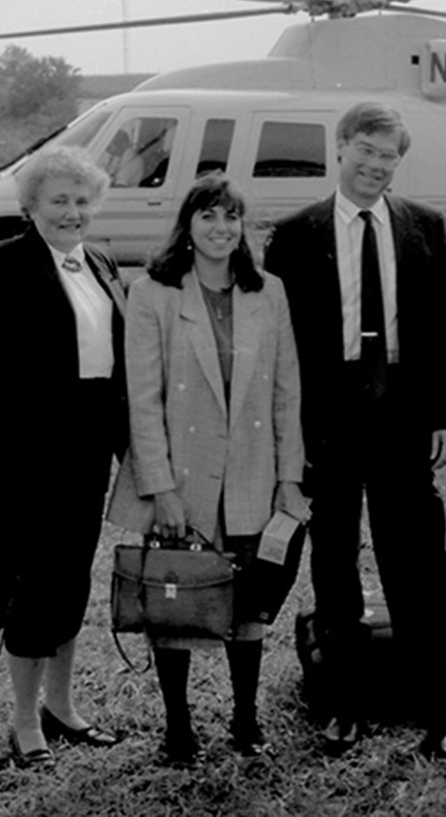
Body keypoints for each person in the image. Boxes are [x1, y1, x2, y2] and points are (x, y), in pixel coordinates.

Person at [263, 102, 446, 759]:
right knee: (334, 567)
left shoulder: (424, 227)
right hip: (329, 425)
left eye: (390, 157)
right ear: (342, 147)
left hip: (405, 420)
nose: (377, 167)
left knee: (418, 566)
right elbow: (279, 346)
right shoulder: (295, 235)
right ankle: (342, 704)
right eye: (367, 152)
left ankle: (439, 706)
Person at [108, 174, 307, 764]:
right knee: (178, 602)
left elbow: (286, 393)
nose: (221, 228)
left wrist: (288, 477)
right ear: (187, 226)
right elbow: (143, 400)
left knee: (248, 604)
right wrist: (160, 489)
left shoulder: (267, 292)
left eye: (231, 217)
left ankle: (246, 722)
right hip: (184, 479)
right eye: (208, 216)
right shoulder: (154, 294)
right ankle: (179, 729)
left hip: (252, 471)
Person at [0, 145, 128, 770]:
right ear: (31, 206)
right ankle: (24, 725)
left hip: (88, 453)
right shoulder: (0, 266)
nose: (72, 212)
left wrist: (134, 450)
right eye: (59, 201)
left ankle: (62, 707)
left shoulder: (100, 264)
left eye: (82, 201)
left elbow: (119, 369)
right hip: (24, 457)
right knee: (31, 587)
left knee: (72, 578)